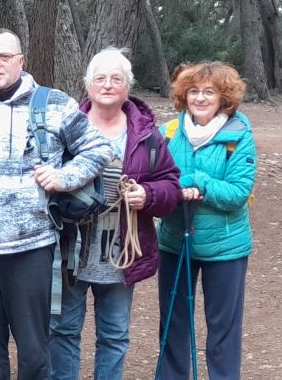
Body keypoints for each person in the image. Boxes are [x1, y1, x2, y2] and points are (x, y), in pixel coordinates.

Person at [0, 29, 114, 380]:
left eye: (4, 56)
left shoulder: (55, 104)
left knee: (33, 352)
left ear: (20, 61)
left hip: (31, 248)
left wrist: (65, 177)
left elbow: (100, 149)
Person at [47, 48, 183, 380]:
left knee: (114, 335)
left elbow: (171, 185)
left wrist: (146, 195)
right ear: (87, 84)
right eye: (100, 78)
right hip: (71, 250)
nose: (108, 85)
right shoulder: (64, 128)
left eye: (116, 79)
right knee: (63, 332)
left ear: (128, 86)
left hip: (122, 252)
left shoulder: (147, 135)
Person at [154, 61, 257, 380]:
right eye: (194, 91)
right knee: (172, 323)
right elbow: (156, 179)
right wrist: (177, 189)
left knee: (223, 329)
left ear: (223, 97)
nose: (200, 98)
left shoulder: (238, 135)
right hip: (174, 241)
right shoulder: (167, 133)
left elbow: (238, 192)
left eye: (209, 92)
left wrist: (198, 182)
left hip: (225, 248)